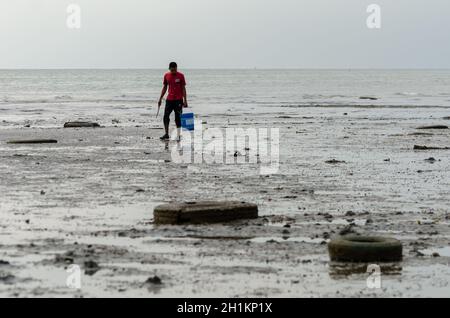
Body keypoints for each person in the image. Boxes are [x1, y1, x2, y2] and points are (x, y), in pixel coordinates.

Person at [158, 62, 188, 141]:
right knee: (165, 116)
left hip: (178, 100)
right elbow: (165, 87)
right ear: (169, 69)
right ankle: (166, 134)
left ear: (176, 68)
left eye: (175, 70)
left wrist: (185, 100)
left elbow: (183, 88)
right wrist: (160, 98)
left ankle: (178, 135)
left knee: (177, 118)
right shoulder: (166, 75)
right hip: (169, 100)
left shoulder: (181, 76)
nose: (173, 71)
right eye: (172, 70)